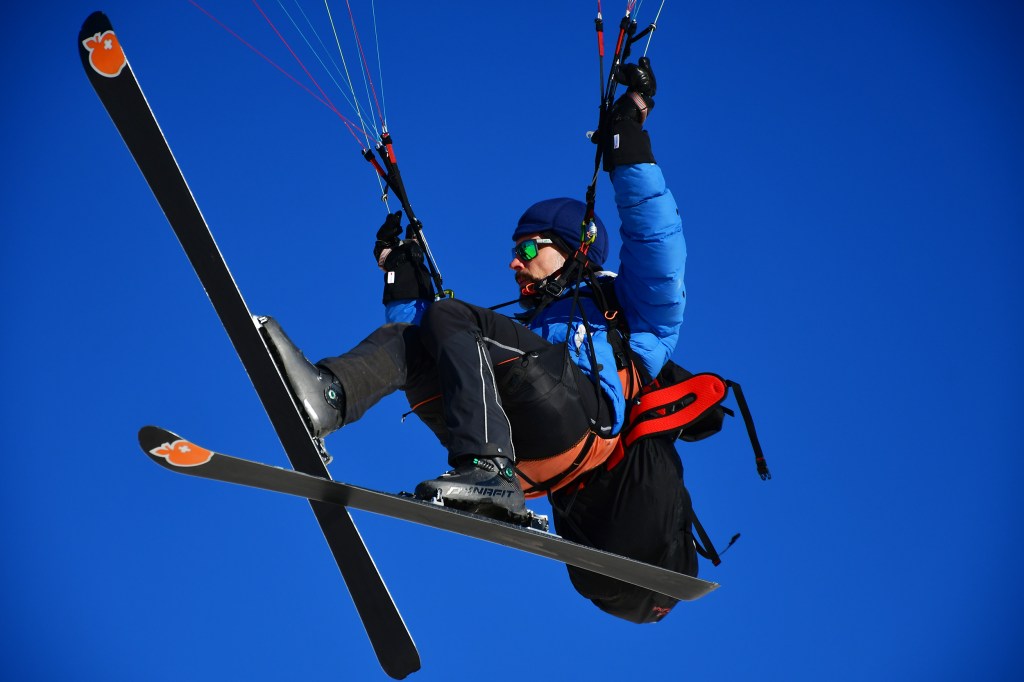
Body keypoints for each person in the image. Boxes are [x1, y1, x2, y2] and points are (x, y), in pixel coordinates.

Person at [262, 58, 700, 623]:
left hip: (579, 425)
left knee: (450, 317)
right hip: (525, 453)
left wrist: (628, 137)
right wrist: (400, 271)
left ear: (575, 249)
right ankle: (329, 397)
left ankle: (489, 473)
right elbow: (428, 344)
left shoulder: (626, 307)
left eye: (529, 249)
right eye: (515, 251)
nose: (514, 263)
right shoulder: (527, 332)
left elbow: (658, 241)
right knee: (421, 333)